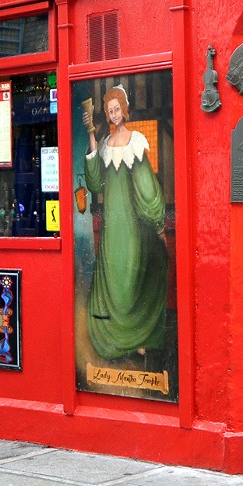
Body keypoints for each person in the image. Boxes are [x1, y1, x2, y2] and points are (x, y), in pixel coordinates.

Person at [81, 86, 169, 364]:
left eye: (117, 108)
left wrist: (157, 223)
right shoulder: (105, 143)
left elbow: (146, 187)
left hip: (132, 226)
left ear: (125, 109)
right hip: (112, 227)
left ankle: (138, 338)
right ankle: (118, 340)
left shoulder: (136, 141)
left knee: (130, 279)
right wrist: (91, 134)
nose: (114, 114)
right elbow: (95, 183)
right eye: (109, 110)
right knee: (117, 280)